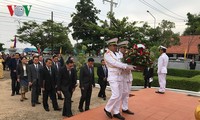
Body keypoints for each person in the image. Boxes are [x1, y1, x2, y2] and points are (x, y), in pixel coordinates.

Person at [103, 38, 135, 120]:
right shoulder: (107, 54)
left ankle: (116, 112)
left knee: (120, 95)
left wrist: (131, 67)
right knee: (116, 94)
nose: (115, 47)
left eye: (116, 45)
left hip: (120, 77)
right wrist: (127, 66)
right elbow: (115, 63)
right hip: (113, 77)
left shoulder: (116, 54)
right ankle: (107, 108)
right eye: (114, 45)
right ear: (109, 46)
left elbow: (121, 63)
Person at [118, 41, 134, 115]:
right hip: (122, 76)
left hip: (129, 76)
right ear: (120, 48)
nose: (125, 49)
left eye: (125, 48)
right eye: (123, 47)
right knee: (122, 93)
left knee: (127, 93)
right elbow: (119, 66)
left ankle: (125, 108)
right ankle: (116, 108)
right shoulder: (118, 56)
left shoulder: (128, 55)